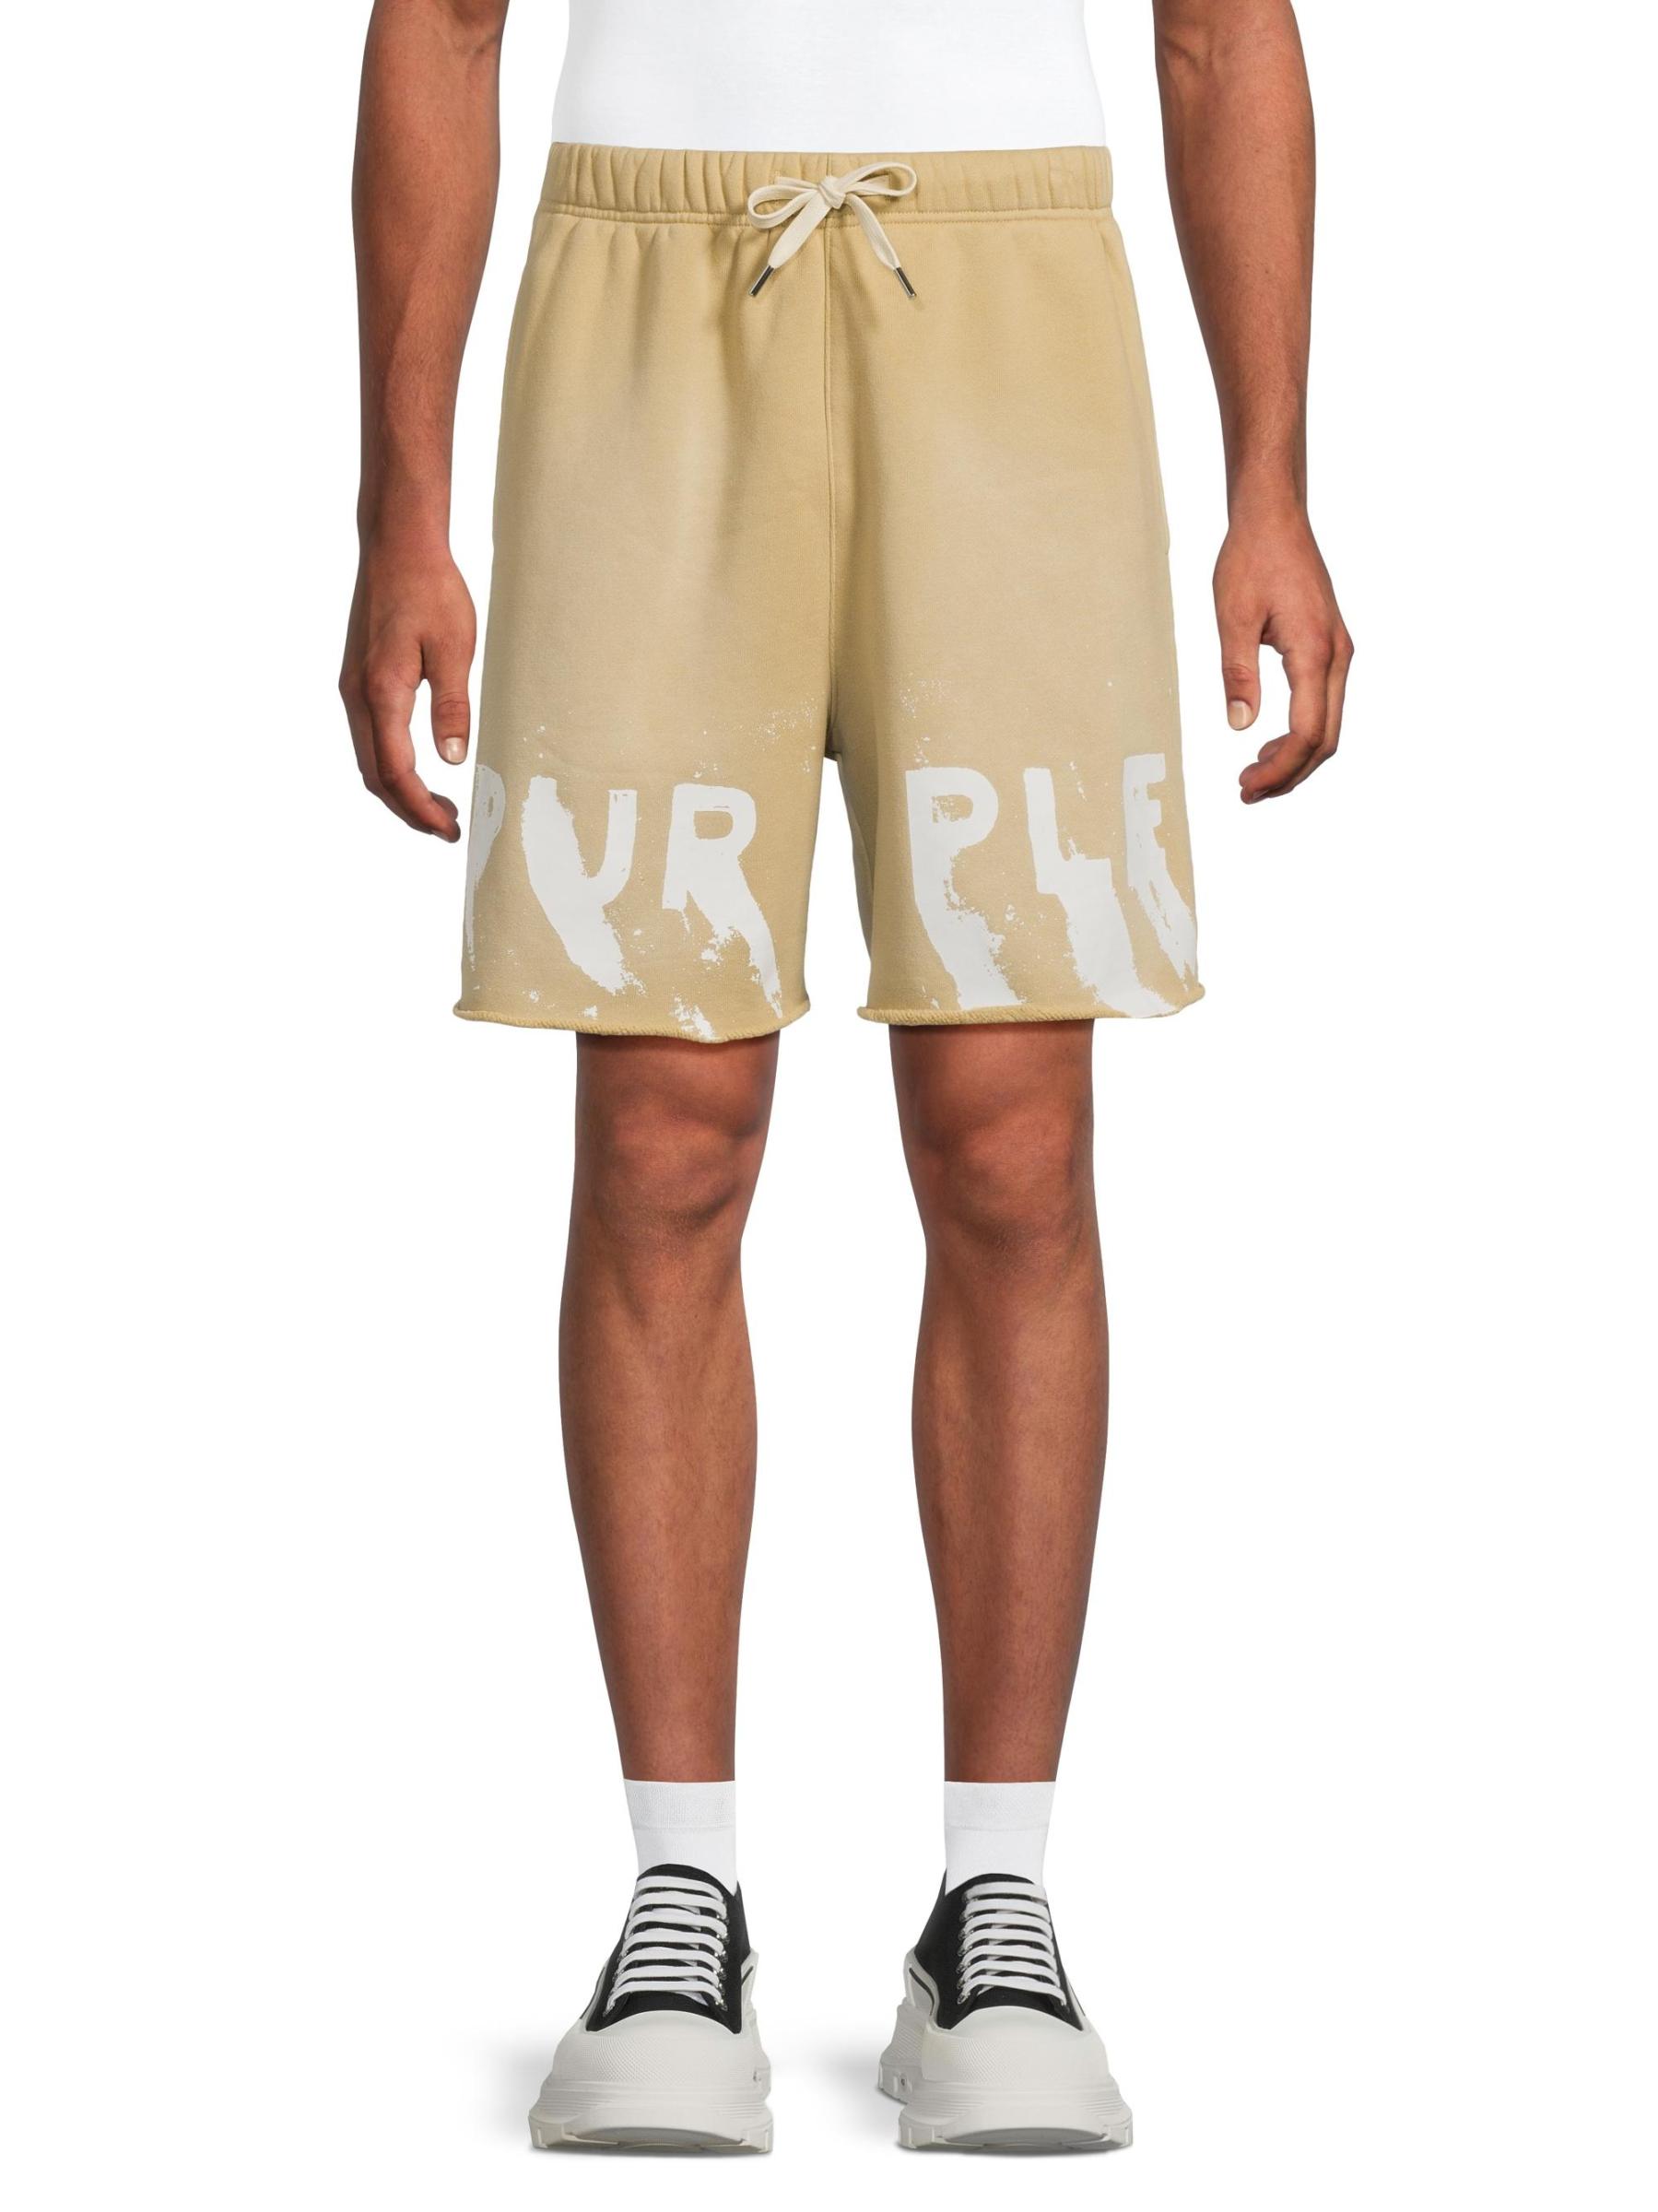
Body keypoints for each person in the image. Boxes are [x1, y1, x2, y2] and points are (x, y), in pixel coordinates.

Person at [341, 0, 1351, 2154]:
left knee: (1012, 1137)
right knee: (660, 1134)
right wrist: (399, 510)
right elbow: (437, 22)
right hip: (638, 305)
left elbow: (1220, 30)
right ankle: (678, 1900)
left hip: (1014, 302)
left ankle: (999, 1905)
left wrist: (1272, 479)